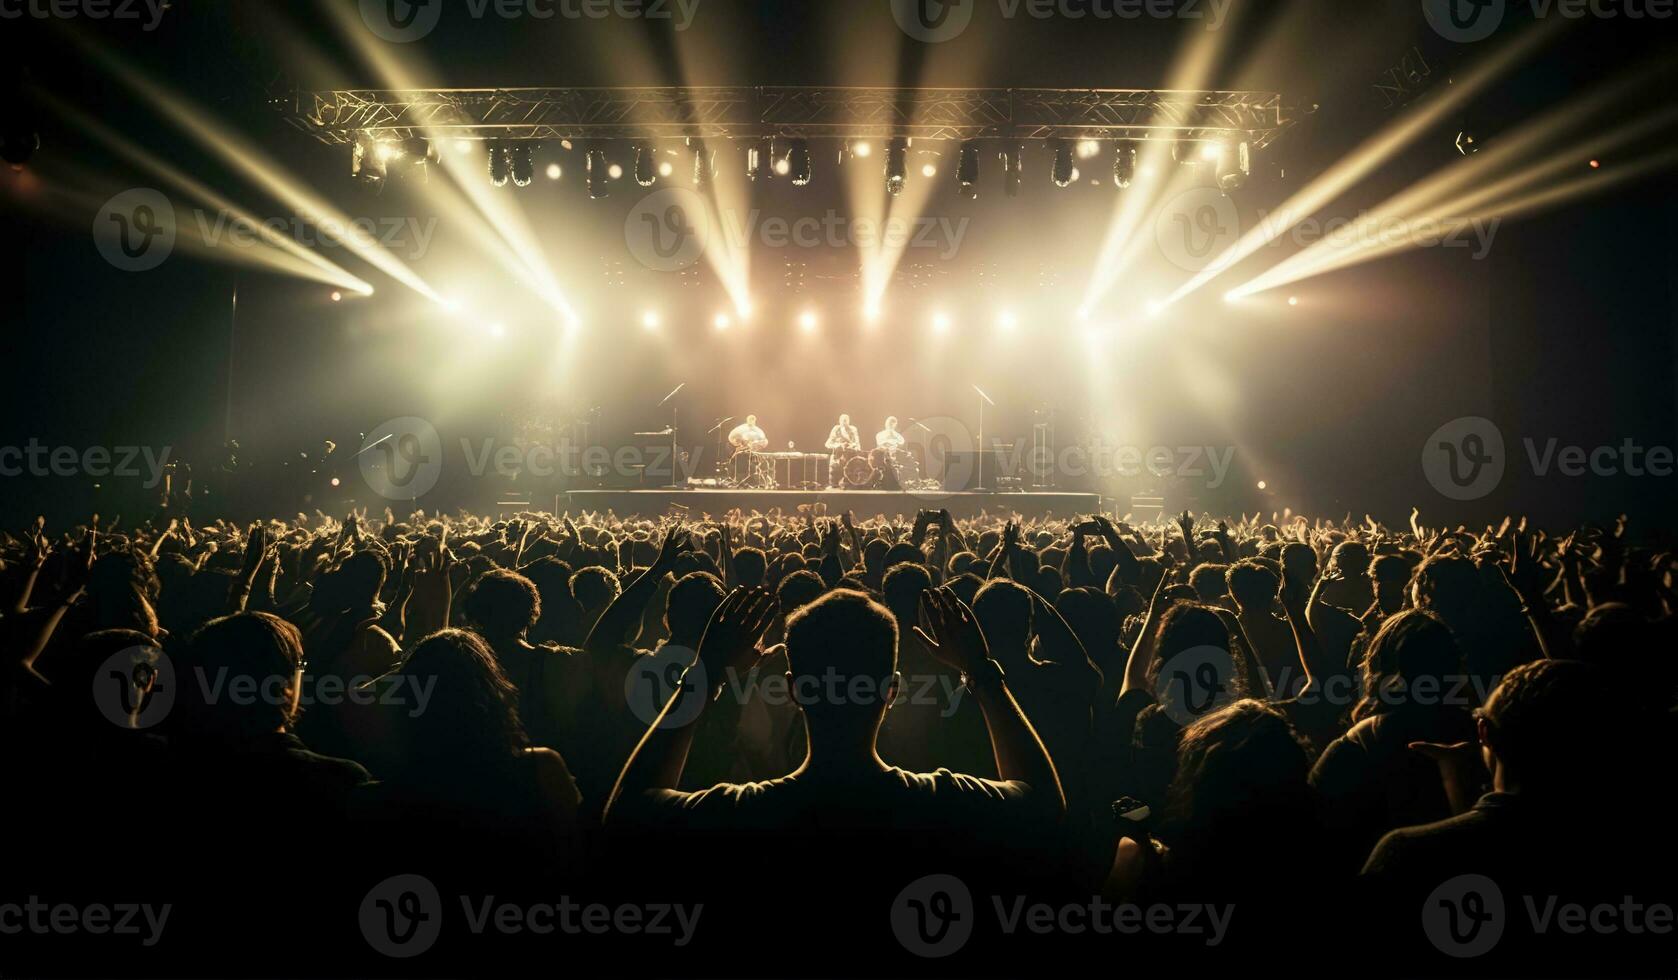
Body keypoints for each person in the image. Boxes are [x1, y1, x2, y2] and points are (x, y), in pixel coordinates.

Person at [603, 587, 1065, 964]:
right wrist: (982, 673)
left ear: (792, 691)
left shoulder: (746, 813)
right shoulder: (942, 803)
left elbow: (626, 811)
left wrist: (705, 675)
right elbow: (1044, 803)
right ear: (892, 693)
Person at [825, 413, 861, 486]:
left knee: (850, 482)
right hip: (837, 458)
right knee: (834, 482)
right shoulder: (836, 429)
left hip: (850, 459)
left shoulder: (853, 429)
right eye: (843, 420)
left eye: (846, 420)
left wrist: (852, 446)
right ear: (839, 421)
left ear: (849, 421)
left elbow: (857, 444)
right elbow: (827, 444)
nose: (844, 422)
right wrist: (839, 445)